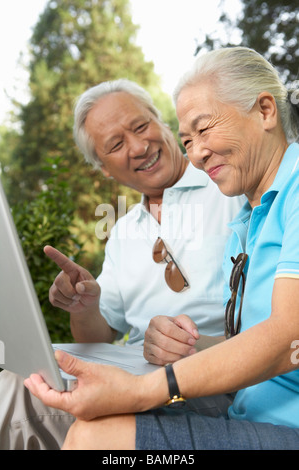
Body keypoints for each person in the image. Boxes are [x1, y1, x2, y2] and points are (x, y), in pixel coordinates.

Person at [24, 46, 299, 450]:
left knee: (94, 434)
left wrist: (148, 389)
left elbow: (285, 339)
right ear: (103, 166)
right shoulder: (250, 216)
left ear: (264, 111)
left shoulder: (238, 189)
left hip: (249, 405)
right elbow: (253, 335)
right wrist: (172, 347)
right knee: (24, 392)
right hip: (235, 398)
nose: (199, 153)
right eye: (190, 139)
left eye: (203, 130)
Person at [0, 79, 243, 450]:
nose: (139, 146)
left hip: (206, 382)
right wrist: (85, 306)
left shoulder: (231, 187)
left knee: (9, 398)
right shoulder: (123, 230)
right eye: (116, 144)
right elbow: (98, 337)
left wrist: (194, 348)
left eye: (141, 126)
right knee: (15, 379)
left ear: (161, 121)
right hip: (130, 375)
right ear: (104, 169)